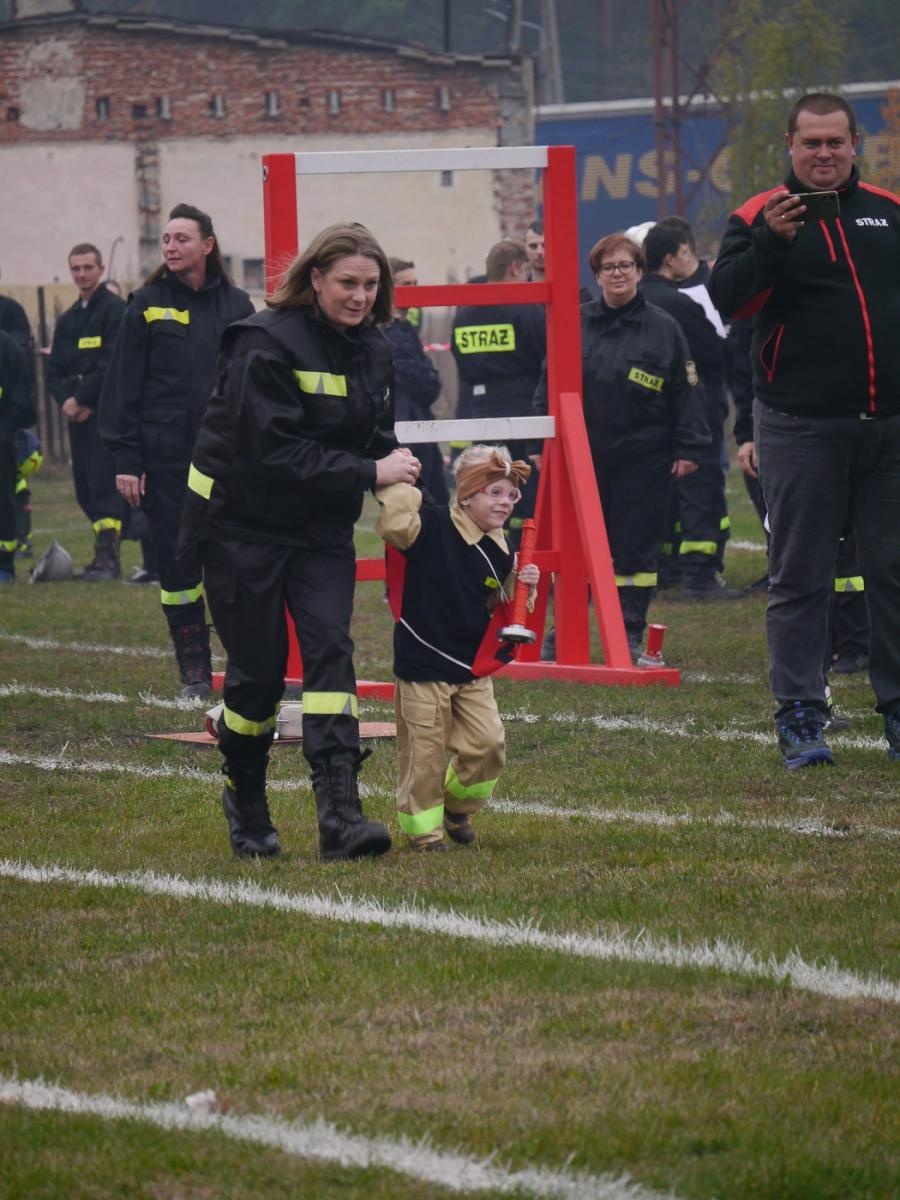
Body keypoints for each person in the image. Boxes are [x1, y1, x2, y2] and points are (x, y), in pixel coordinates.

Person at [180, 221, 420, 861]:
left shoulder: (375, 349)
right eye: (348, 283)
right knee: (258, 673)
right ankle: (246, 796)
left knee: (330, 653)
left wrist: (399, 478)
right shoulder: (262, 342)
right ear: (315, 278)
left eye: (371, 284)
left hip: (318, 529)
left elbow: (374, 436)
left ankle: (341, 815)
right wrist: (371, 471)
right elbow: (274, 453)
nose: (361, 296)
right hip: (240, 526)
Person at [709, 91, 900, 768]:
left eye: (835, 142)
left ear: (855, 145)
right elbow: (729, 301)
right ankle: (799, 713)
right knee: (800, 576)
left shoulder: (888, 211)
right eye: (811, 142)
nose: (824, 153)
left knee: (891, 573)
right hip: (801, 427)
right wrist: (772, 243)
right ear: (790, 145)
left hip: (889, 429)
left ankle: (896, 709)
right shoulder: (758, 215)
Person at [100, 203, 254, 697]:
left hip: (226, 459)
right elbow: (122, 384)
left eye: (181, 238)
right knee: (177, 564)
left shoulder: (238, 306)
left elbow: (255, 386)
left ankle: (245, 662)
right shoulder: (146, 304)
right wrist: (127, 459)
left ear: (207, 245)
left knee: (232, 563)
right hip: (165, 459)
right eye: (166, 239)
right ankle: (194, 669)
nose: (170, 246)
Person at [535, 232, 709, 660]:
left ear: (640, 272)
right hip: (581, 457)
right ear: (596, 276)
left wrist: (690, 446)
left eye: (625, 266)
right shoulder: (573, 323)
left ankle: (629, 629)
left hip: (643, 458)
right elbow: (547, 383)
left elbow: (686, 390)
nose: (617, 274)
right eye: (608, 267)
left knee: (635, 548)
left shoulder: (664, 328)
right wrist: (539, 443)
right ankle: (565, 630)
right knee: (574, 547)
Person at [376, 445, 539, 851]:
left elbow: (499, 607)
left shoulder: (502, 548)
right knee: (425, 757)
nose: (505, 503)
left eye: (512, 495)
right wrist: (402, 481)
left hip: (470, 667)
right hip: (424, 665)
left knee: (489, 746)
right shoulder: (430, 526)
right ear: (466, 495)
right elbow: (395, 528)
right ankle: (425, 833)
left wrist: (523, 587)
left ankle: (456, 807)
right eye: (494, 493)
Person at [640, 221, 740, 600]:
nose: (691, 260)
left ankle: (666, 569)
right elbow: (714, 355)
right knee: (702, 489)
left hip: (651, 413)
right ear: (670, 259)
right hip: (695, 410)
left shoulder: (636, 301)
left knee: (666, 494)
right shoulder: (681, 304)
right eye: (686, 253)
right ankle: (700, 576)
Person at [451, 239, 546, 545]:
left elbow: (461, 363)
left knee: (489, 487)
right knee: (524, 488)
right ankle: (523, 548)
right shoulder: (528, 309)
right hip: (525, 410)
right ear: (515, 268)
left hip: (481, 410)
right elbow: (546, 359)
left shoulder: (464, 314)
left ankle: (491, 545)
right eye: (526, 271)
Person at [47, 243, 127, 580]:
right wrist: (67, 401)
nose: (81, 274)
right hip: (77, 415)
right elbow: (53, 369)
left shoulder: (115, 311)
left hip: (103, 414)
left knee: (104, 486)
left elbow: (112, 364)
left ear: (101, 269)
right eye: (75, 268)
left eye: (87, 267)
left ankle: (108, 559)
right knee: (85, 488)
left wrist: (83, 399)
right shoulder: (68, 319)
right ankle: (101, 557)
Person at [384, 257, 449, 504]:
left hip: (419, 422)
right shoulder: (390, 334)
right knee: (420, 504)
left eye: (416, 283)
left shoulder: (403, 328)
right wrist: (430, 378)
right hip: (406, 427)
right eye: (407, 284)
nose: (414, 290)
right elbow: (425, 382)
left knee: (436, 500)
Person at [0, 330, 35, 583]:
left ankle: (4, 565)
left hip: (1, 438)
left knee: (3, 501)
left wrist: (4, 431)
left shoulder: (7, 348)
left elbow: (21, 399)